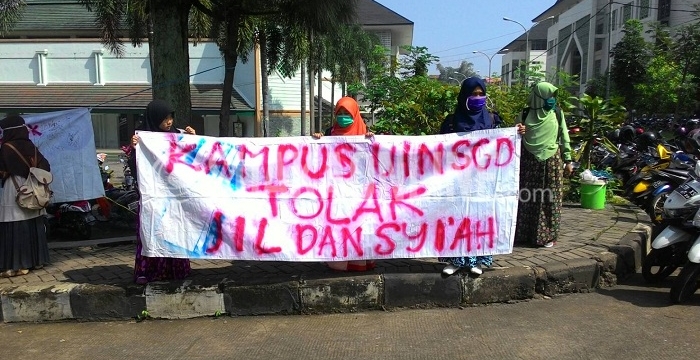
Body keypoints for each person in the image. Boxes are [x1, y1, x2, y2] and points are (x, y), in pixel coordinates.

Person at [437, 77, 525, 276]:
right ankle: (455, 260)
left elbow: (502, 143)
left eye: (480, 94)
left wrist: (516, 132)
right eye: (473, 94)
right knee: (456, 217)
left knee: (479, 218)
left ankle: (476, 259)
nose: (478, 98)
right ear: (464, 96)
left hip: (483, 180)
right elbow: (438, 148)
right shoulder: (451, 122)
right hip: (456, 180)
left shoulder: (492, 120)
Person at [130, 99, 195, 284]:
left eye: (171, 117)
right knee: (151, 232)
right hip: (153, 198)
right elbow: (136, 170)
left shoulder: (178, 136)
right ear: (155, 118)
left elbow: (192, 161)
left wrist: (193, 140)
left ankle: (176, 271)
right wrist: (135, 149)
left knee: (174, 230)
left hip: (174, 198)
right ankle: (148, 271)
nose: (169, 122)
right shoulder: (145, 140)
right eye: (165, 118)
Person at [312, 96, 376, 272]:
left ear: (355, 114)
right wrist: (319, 138)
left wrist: (370, 139)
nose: (342, 117)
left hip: (358, 189)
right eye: (339, 113)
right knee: (338, 223)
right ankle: (339, 260)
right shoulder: (330, 132)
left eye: (346, 113)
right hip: (336, 189)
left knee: (358, 224)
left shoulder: (364, 134)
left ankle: (358, 261)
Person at [515, 82, 574, 248]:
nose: (552, 100)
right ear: (538, 97)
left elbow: (564, 135)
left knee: (549, 197)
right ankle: (524, 234)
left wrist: (568, 160)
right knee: (526, 197)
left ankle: (547, 236)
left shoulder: (556, 113)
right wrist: (518, 130)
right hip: (529, 159)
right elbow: (514, 134)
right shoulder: (525, 114)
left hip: (551, 160)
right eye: (548, 96)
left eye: (553, 96)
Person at [0, 115, 51, 278]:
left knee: (15, 225)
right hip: (33, 189)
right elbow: (46, 166)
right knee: (33, 223)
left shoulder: (7, 147)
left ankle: (19, 265)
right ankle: (37, 260)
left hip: (15, 189)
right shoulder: (31, 146)